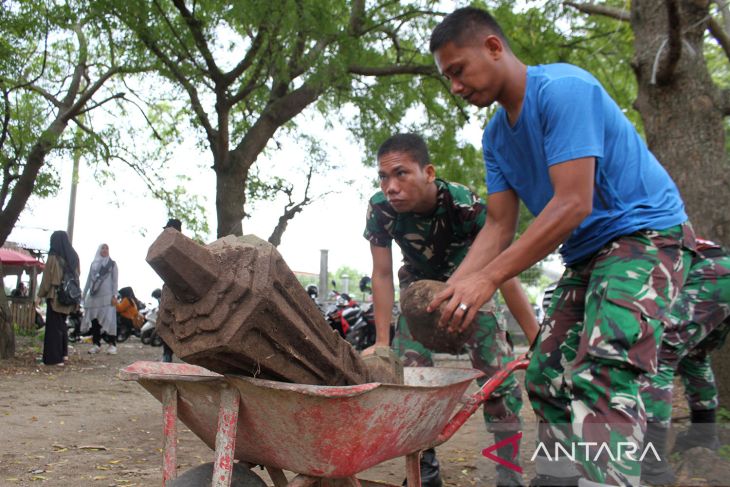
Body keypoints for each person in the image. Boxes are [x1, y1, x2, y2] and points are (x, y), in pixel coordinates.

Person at [428, 7, 695, 487]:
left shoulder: (564, 90)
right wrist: (455, 288)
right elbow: (498, 226)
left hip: (645, 237)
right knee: (545, 376)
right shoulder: (494, 138)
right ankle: (557, 479)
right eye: (447, 78)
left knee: (603, 373)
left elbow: (573, 202)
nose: (455, 88)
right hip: (587, 255)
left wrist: (487, 279)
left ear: (493, 47)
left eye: (458, 70)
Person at [363, 133, 539, 487]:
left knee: (499, 385)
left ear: (428, 172)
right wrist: (383, 341)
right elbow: (381, 274)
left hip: (471, 291)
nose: (390, 186)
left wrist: (536, 337)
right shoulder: (381, 209)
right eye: (383, 177)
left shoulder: (464, 204)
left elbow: (504, 273)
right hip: (419, 296)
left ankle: (507, 469)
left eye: (401, 174)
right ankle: (424, 471)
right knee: (407, 385)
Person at [639, 239, 730, 485]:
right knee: (695, 356)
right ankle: (704, 436)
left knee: (660, 354)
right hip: (719, 272)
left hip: (710, 275)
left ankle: (652, 465)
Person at [37, 231, 80, 366]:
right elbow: (77, 276)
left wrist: (39, 295)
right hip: (69, 296)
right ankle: (64, 354)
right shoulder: (74, 256)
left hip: (55, 296)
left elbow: (47, 279)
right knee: (62, 325)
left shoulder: (53, 256)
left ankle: (54, 359)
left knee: (53, 328)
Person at [82, 243, 118, 354]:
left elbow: (115, 281)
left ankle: (112, 345)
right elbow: (89, 280)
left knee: (109, 320)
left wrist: (114, 296)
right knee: (94, 321)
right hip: (93, 297)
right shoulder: (93, 264)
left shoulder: (112, 264)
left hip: (107, 297)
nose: (105, 250)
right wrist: (84, 293)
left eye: (107, 248)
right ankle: (96, 344)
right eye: (103, 248)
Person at [160, 217, 181, 362]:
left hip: (179, 292)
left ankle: (169, 354)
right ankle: (167, 354)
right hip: (169, 289)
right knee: (167, 322)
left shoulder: (183, 244)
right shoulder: (163, 244)